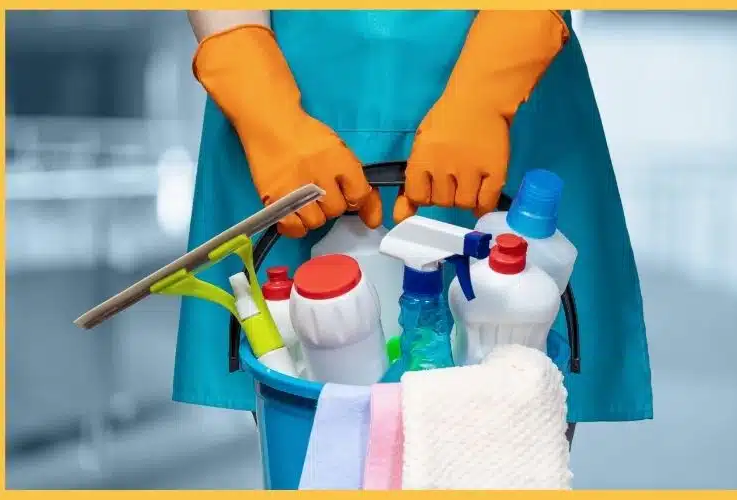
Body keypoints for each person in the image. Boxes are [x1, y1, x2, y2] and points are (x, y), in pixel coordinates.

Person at [175, 9, 653, 440]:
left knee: (514, 434)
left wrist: (487, 92)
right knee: (314, 442)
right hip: (286, 104)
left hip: (511, 82)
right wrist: (266, 112)